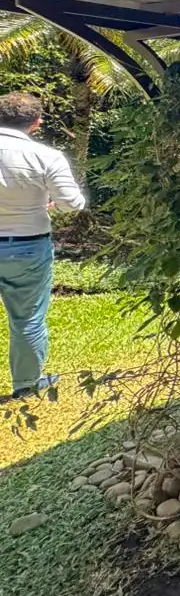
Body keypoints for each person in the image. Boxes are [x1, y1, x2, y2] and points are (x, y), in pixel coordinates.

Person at [0, 93, 86, 400]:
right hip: (27, 246)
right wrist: (48, 207)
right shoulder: (46, 156)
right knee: (27, 318)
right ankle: (25, 386)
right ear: (36, 123)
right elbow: (73, 203)